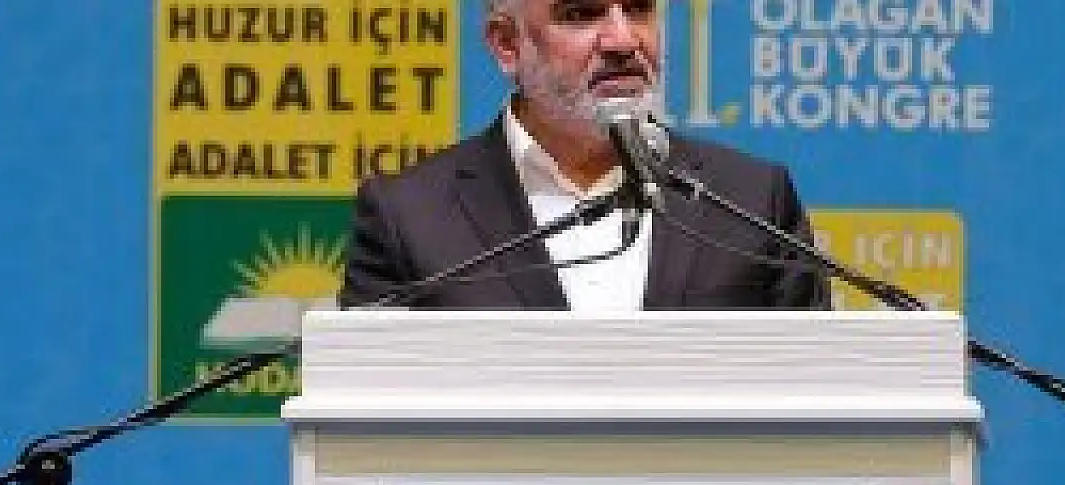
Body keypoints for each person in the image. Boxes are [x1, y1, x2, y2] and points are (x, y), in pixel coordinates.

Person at [338, 0, 830, 311]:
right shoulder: (410, 218)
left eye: (637, 9)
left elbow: (812, 407)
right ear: (507, 44)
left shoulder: (752, 201)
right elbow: (368, 420)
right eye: (581, 14)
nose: (623, 41)